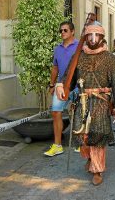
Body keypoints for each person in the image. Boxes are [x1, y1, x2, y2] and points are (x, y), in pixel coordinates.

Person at [55, 21, 115, 186]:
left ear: (101, 37)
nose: (93, 39)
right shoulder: (78, 56)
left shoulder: (110, 59)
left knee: (98, 136)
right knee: (82, 136)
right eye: (90, 35)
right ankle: (89, 158)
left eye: (96, 35)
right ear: (86, 37)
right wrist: (61, 86)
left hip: (101, 103)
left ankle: (97, 169)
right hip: (83, 101)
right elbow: (68, 77)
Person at [44, 21, 78, 157]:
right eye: (61, 31)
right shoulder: (57, 48)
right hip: (61, 87)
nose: (62, 33)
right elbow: (55, 68)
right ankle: (57, 145)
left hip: (77, 86)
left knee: (80, 113)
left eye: (65, 30)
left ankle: (81, 144)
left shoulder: (80, 46)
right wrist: (52, 84)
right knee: (56, 112)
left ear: (72, 31)